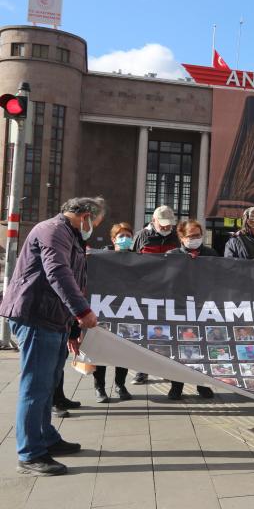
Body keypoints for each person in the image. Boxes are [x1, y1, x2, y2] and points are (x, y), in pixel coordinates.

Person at [0, 197, 105, 476]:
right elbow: (57, 271)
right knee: (35, 386)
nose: (93, 227)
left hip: (54, 318)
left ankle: (46, 436)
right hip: (37, 316)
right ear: (84, 215)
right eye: (94, 222)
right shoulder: (53, 230)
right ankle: (30, 453)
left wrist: (72, 327)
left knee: (47, 384)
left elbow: (78, 280)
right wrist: (82, 312)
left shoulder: (70, 236)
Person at [165, 220, 217, 400]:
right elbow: (166, 281)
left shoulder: (210, 254)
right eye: (191, 236)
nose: (195, 239)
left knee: (203, 347)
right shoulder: (172, 255)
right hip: (180, 308)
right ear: (181, 237)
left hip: (203, 308)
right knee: (179, 348)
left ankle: (202, 385)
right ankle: (176, 386)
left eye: (198, 235)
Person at [130, 205, 179, 386]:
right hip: (145, 292)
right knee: (145, 333)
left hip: (169, 292)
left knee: (165, 333)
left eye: (169, 225)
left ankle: (165, 368)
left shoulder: (176, 237)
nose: (166, 228)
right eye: (163, 225)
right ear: (153, 221)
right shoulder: (142, 236)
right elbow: (130, 261)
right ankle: (141, 371)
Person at [92, 222, 134, 403]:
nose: (125, 239)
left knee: (123, 351)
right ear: (113, 239)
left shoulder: (136, 257)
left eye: (128, 236)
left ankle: (120, 384)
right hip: (105, 310)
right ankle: (99, 387)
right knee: (102, 351)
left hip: (127, 311)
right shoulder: (101, 256)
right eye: (121, 236)